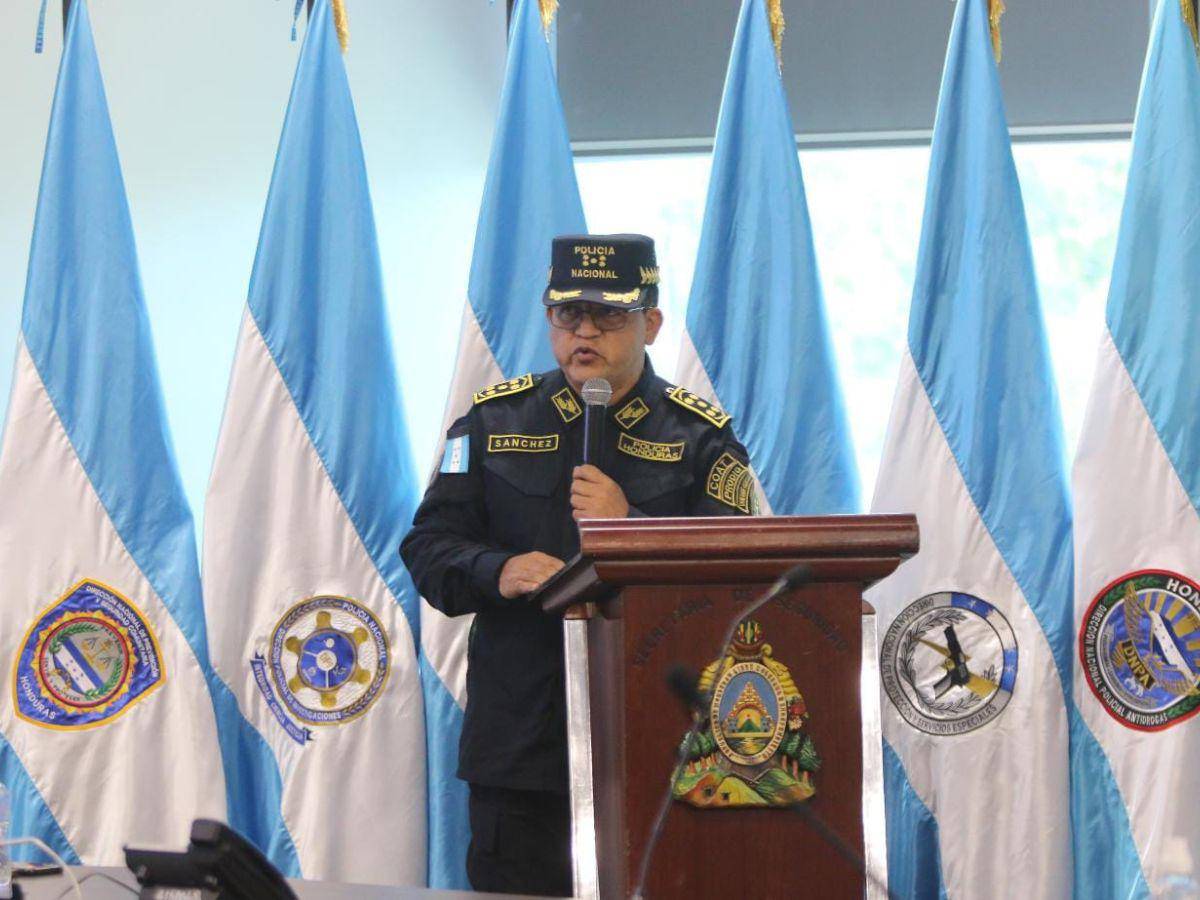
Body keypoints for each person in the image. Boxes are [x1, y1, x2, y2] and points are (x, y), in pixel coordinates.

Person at [400, 233, 755, 897]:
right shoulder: (490, 423)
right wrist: (496, 570)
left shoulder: (701, 437)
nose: (584, 333)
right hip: (522, 749)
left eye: (609, 317)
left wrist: (635, 530)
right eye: (568, 315)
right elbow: (427, 546)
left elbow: (740, 581)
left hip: (660, 745)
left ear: (650, 323)